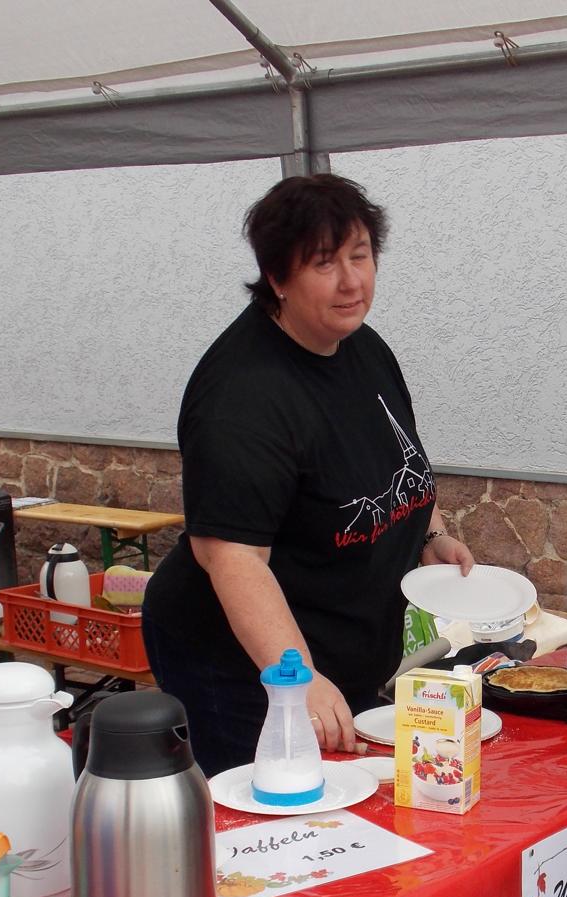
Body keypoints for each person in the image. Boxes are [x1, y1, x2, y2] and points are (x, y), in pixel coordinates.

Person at [141, 173, 473, 775]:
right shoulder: (242, 397)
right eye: (324, 264)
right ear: (277, 278)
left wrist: (431, 534)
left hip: (337, 644)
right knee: (280, 825)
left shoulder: (363, 347)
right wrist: (299, 679)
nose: (352, 281)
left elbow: (403, 463)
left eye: (361, 255)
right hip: (240, 664)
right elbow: (233, 559)